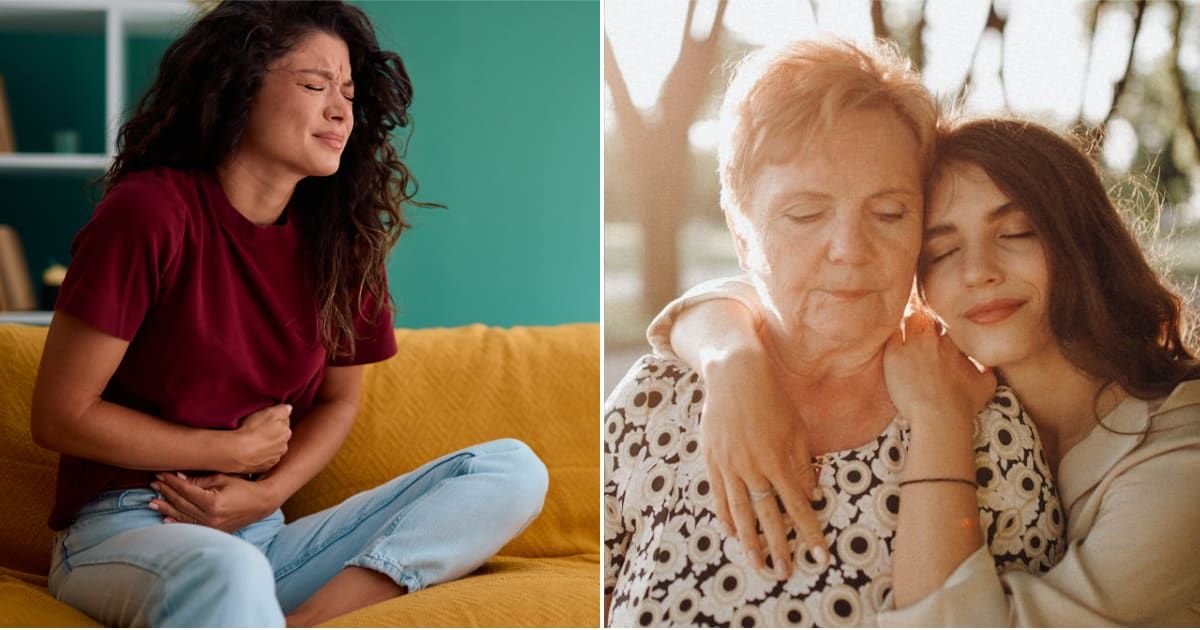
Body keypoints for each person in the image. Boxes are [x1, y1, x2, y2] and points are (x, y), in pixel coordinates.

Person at [30, 2, 547, 627]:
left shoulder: (342, 242)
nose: (340, 110)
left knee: (510, 469)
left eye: (349, 93)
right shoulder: (150, 214)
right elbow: (61, 415)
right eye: (314, 84)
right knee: (229, 572)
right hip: (127, 530)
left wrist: (266, 493)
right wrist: (231, 448)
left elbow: (338, 401)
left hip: (265, 536)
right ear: (239, 87)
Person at [650, 116, 1200, 624]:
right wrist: (733, 363)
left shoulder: (1181, 462)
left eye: (1015, 233)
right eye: (941, 251)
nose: (978, 271)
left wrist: (939, 419)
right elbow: (788, 294)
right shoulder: (971, 381)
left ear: (1085, 242)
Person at [603, 39, 1062, 627]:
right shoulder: (653, 402)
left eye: (889, 212)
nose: (850, 250)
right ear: (742, 233)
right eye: (805, 214)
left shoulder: (986, 425)